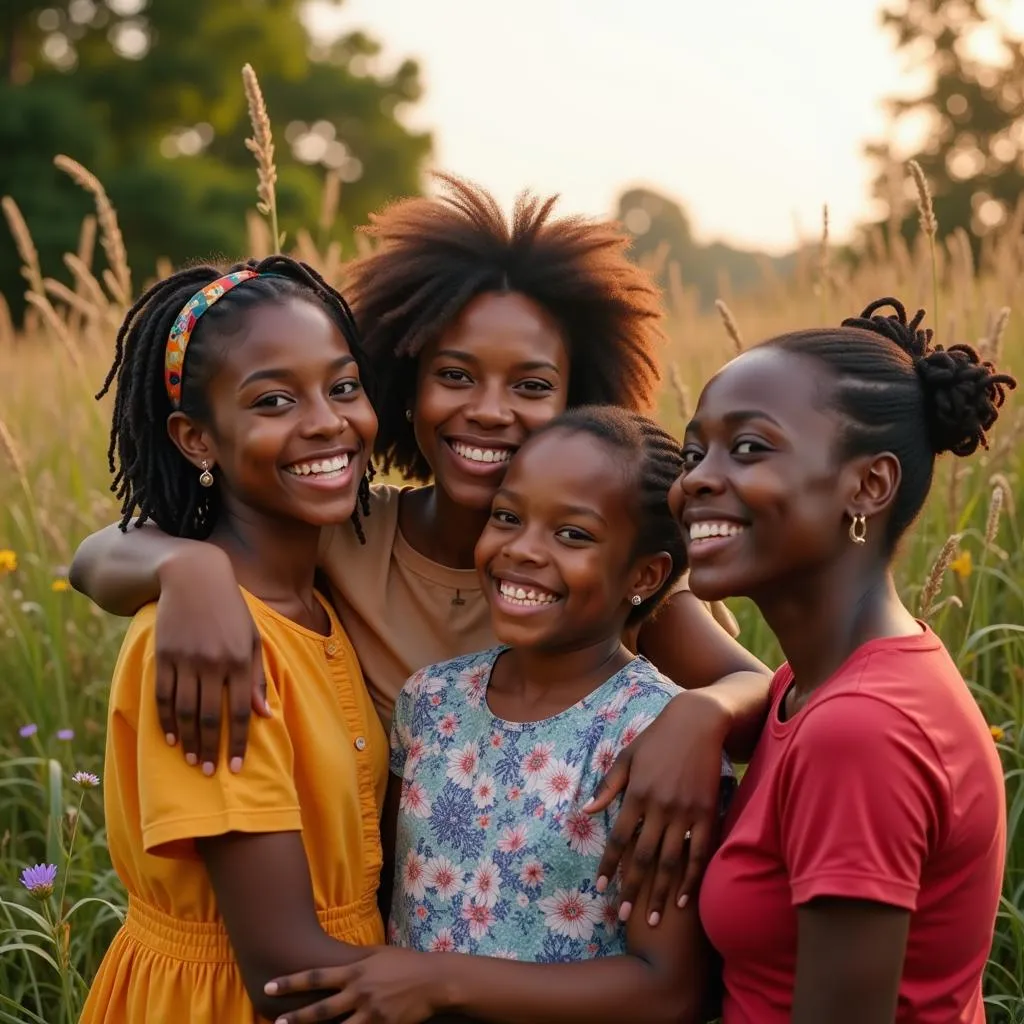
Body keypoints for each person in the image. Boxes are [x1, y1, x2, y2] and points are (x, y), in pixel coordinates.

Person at [70, 177, 771, 915]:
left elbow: (765, 696)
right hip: (369, 930)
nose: (489, 411)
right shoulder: (344, 532)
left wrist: (703, 714)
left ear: (580, 405)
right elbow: (94, 559)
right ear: (403, 386)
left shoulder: (603, 579)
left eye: (531, 387)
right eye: (455, 376)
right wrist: (190, 565)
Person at [259, 406, 732, 1024]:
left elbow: (668, 989)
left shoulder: (655, 736)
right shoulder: (431, 701)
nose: (523, 550)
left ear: (644, 575)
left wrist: (443, 982)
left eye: (573, 535)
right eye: (507, 517)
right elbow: (392, 895)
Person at [674, 298, 1013, 1024]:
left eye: (749, 448)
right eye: (692, 450)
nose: (696, 478)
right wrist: (705, 710)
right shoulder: (817, 685)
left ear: (869, 486)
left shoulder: (860, 731)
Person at [80, 257, 391, 1022]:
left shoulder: (324, 597)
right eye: (274, 400)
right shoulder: (204, 646)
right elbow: (285, 970)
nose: (326, 421)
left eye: (343, 386)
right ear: (197, 441)